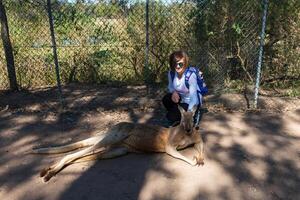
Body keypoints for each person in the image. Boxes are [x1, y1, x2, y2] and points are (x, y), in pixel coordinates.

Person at [162, 50, 206, 127]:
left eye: (180, 64)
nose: (177, 66)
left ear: (185, 63)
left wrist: (188, 114)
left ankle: (193, 117)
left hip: (192, 102)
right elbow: (171, 86)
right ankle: (178, 117)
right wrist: (173, 92)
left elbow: (194, 98)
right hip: (181, 99)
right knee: (166, 99)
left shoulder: (190, 76)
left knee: (171, 117)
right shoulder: (171, 73)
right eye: (175, 63)